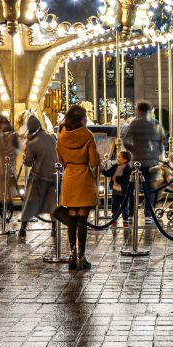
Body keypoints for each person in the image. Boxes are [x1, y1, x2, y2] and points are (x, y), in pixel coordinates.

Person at [57, 104, 100, 270]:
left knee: (72, 218)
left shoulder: (62, 134)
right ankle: (82, 257)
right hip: (84, 177)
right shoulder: (87, 135)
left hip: (69, 177)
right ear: (82, 119)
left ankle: (72, 256)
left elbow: (60, 158)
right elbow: (94, 161)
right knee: (82, 218)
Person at [122, 101, 161, 222]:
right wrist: (156, 155)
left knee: (133, 188)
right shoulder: (154, 123)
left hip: (137, 161)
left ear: (139, 110)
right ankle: (149, 214)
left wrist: (133, 150)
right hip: (151, 162)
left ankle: (130, 214)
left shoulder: (134, 123)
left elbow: (126, 140)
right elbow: (158, 141)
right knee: (150, 188)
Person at [19, 115, 57, 238]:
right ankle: (54, 228)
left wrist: (25, 156)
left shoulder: (32, 143)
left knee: (28, 202)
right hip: (54, 176)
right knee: (53, 204)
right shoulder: (52, 138)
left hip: (39, 177)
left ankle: (23, 228)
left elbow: (28, 162)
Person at [104, 149, 132, 227]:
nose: (117, 158)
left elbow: (126, 179)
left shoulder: (128, 169)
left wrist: (117, 178)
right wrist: (102, 170)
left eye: (119, 157)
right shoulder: (115, 166)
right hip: (115, 191)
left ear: (125, 160)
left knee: (124, 206)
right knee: (114, 206)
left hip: (124, 191)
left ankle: (125, 220)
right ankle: (114, 220)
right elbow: (108, 173)